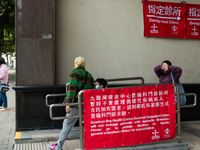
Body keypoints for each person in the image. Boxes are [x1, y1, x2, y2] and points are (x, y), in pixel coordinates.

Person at [47, 57, 95, 150]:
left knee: (67, 124)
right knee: (86, 124)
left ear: (76, 63)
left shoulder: (74, 73)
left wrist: (67, 104)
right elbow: (91, 91)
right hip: (85, 104)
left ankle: (58, 146)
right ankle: (88, 145)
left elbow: (72, 89)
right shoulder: (89, 75)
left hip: (75, 105)